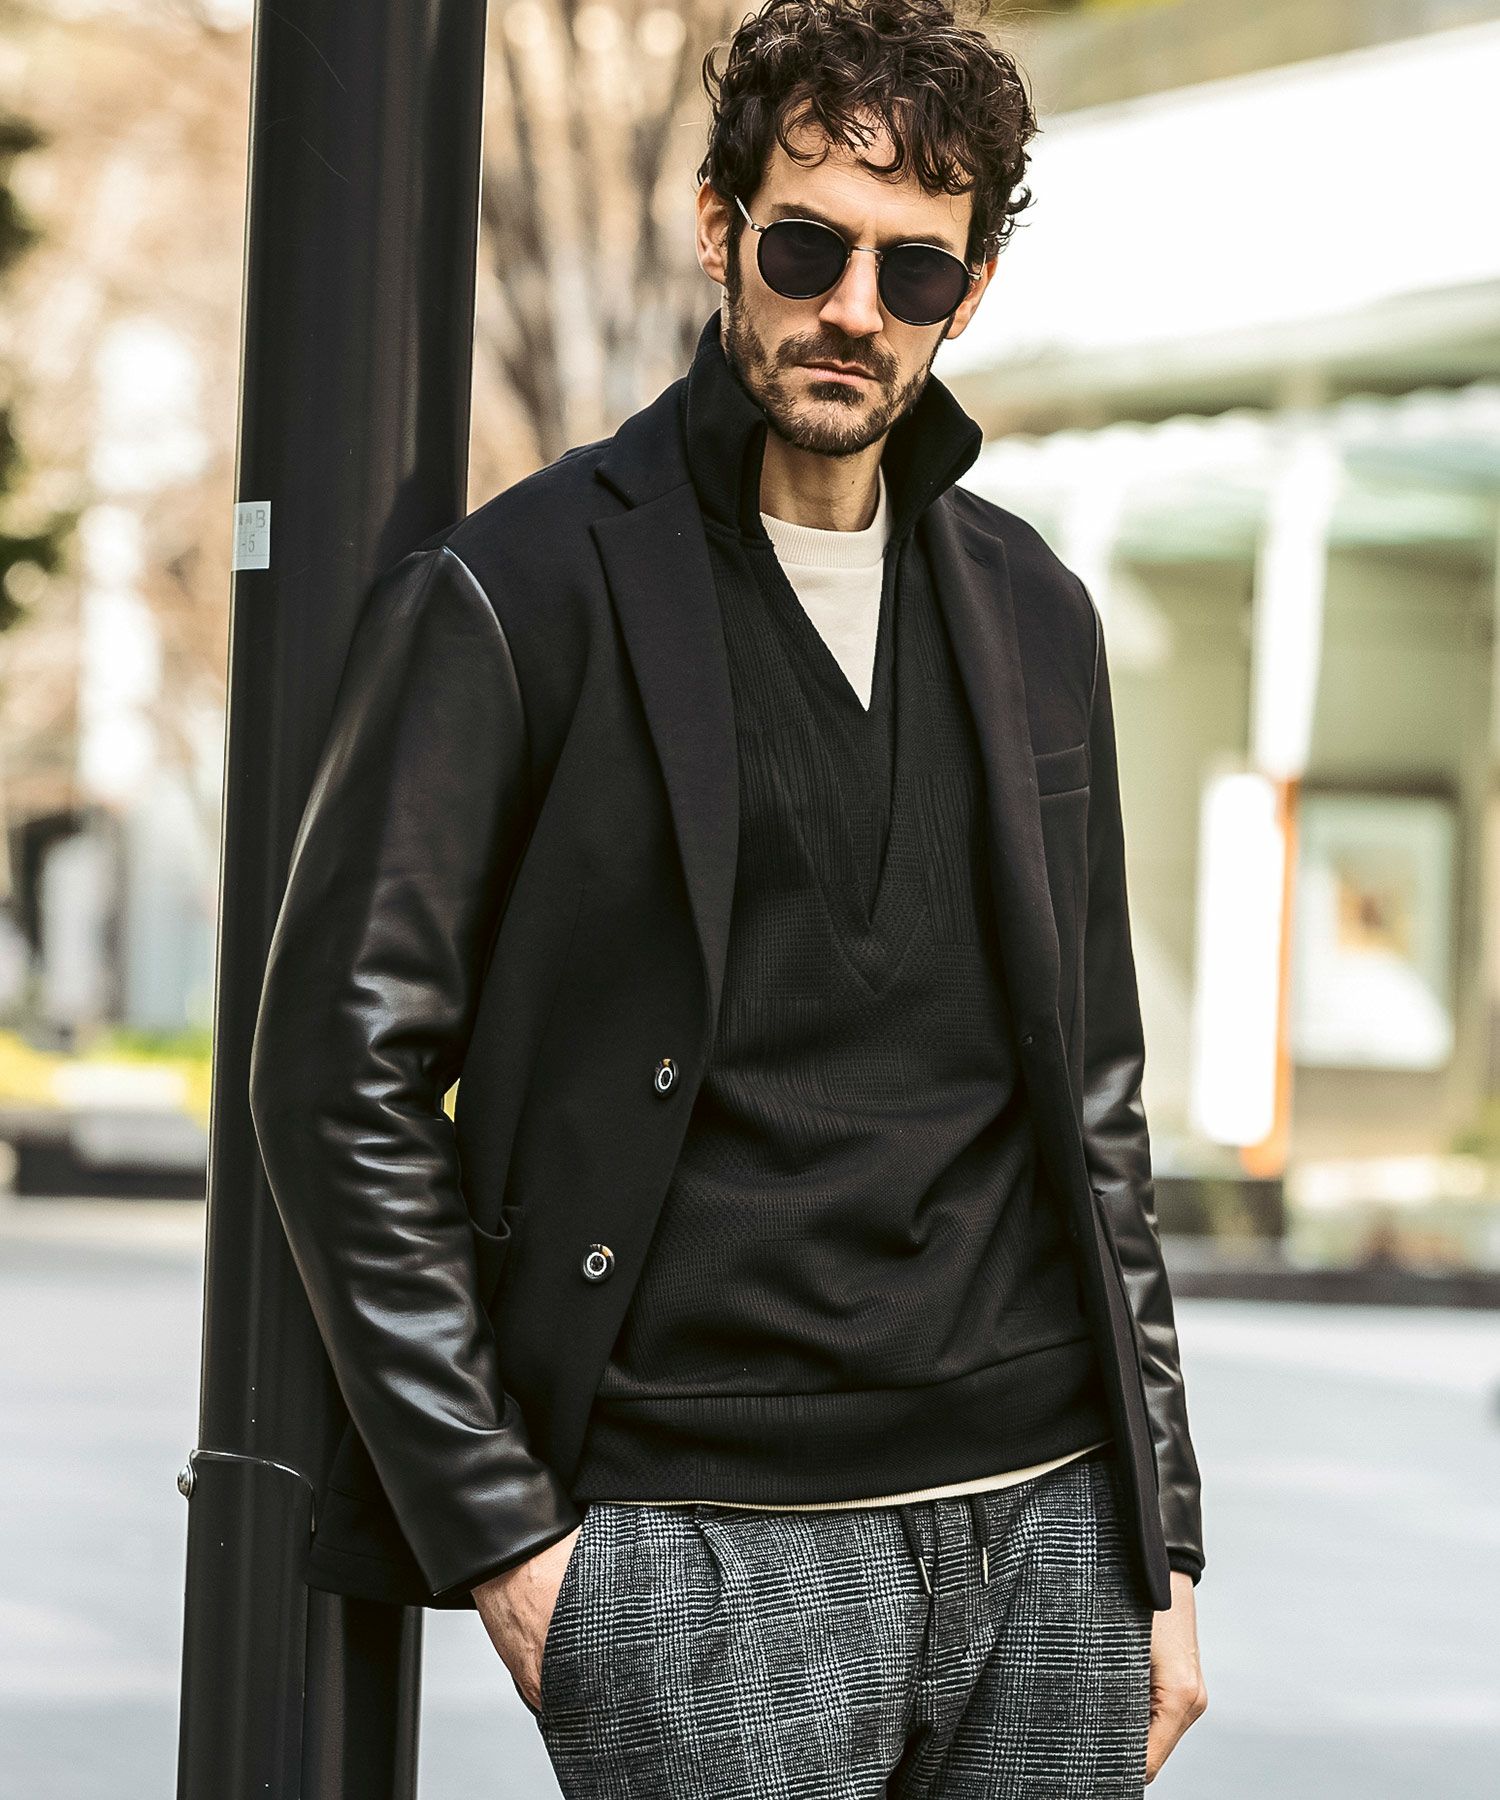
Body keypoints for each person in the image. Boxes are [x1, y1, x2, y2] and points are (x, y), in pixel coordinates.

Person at [248, 1, 1207, 1793]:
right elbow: (337, 1075)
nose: (855, 307)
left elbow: (1097, 1100)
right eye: (807, 246)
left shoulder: (1035, 612)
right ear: (719, 229)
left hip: (1050, 1530)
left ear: (969, 294)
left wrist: (1162, 1535)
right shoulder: (517, 592)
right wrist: (506, 1539)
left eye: (915, 270)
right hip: (703, 1552)